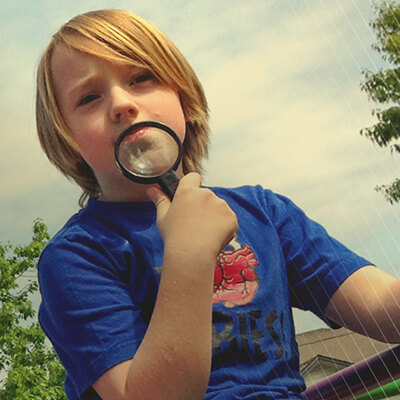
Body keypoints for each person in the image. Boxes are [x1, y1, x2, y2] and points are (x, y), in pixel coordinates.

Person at [36, 9, 400, 400]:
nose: (122, 103)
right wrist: (189, 256)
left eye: (141, 78)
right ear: (68, 143)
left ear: (185, 100)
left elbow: (379, 305)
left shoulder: (265, 213)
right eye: (89, 97)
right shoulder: (77, 256)